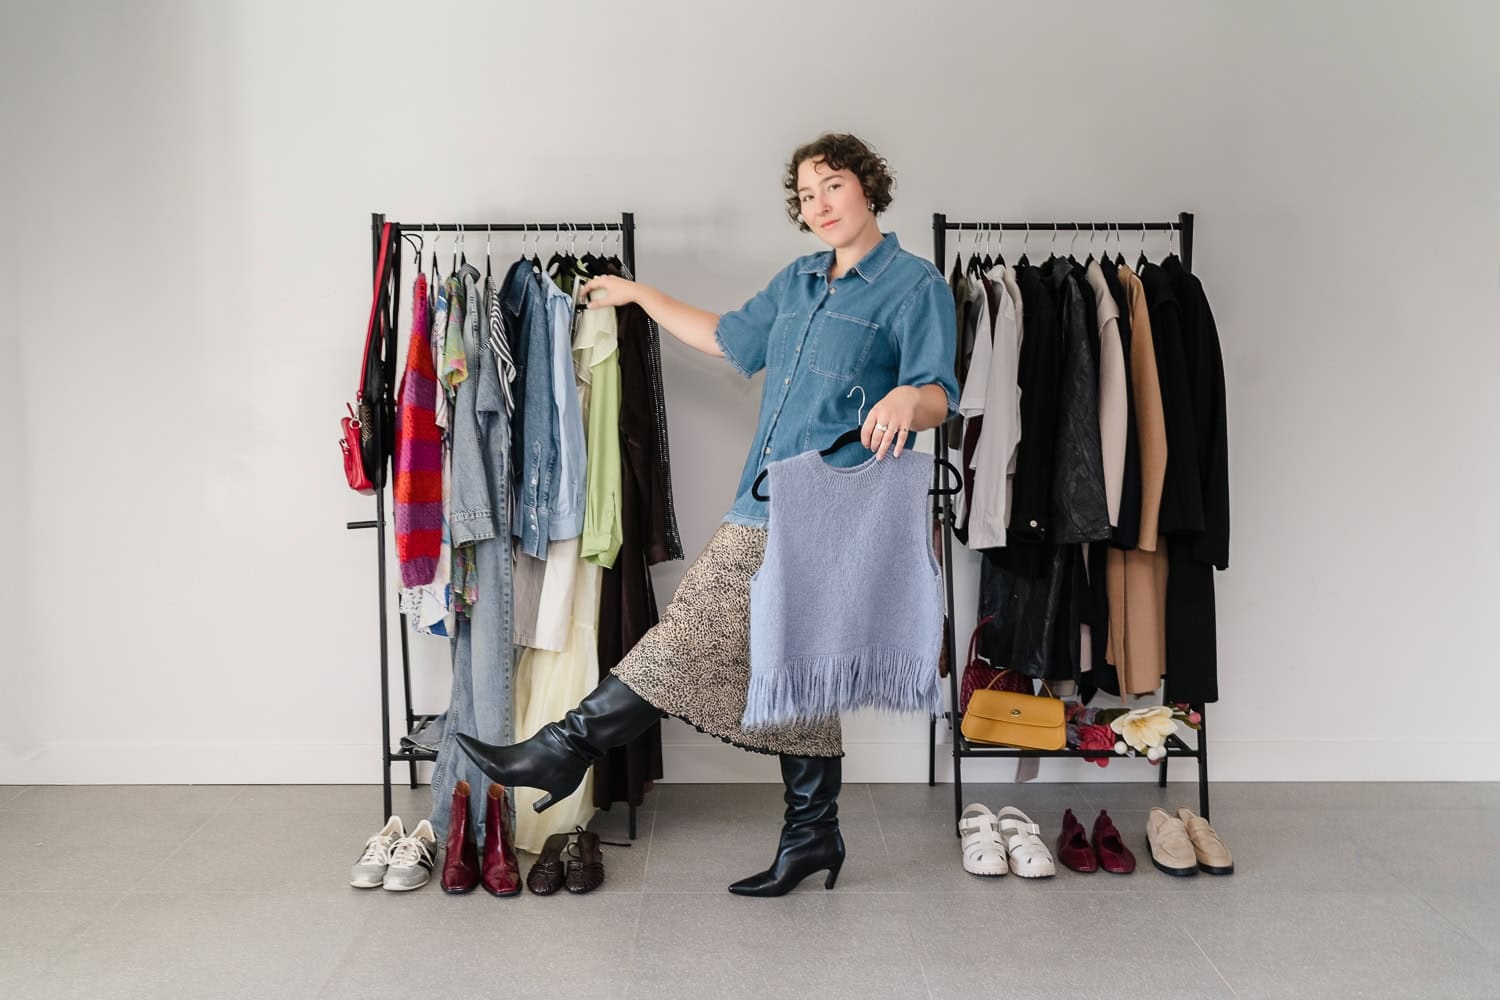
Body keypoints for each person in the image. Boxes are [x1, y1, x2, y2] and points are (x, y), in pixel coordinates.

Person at [457, 132, 959, 896]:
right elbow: (726, 338)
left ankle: (560, 749)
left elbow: (937, 396)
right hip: (760, 497)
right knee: (802, 671)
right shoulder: (797, 282)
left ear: (868, 187)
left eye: (832, 186)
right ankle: (813, 834)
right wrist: (637, 296)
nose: (819, 205)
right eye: (806, 194)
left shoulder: (914, 287)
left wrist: (904, 397)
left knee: (694, 636)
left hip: (833, 512)